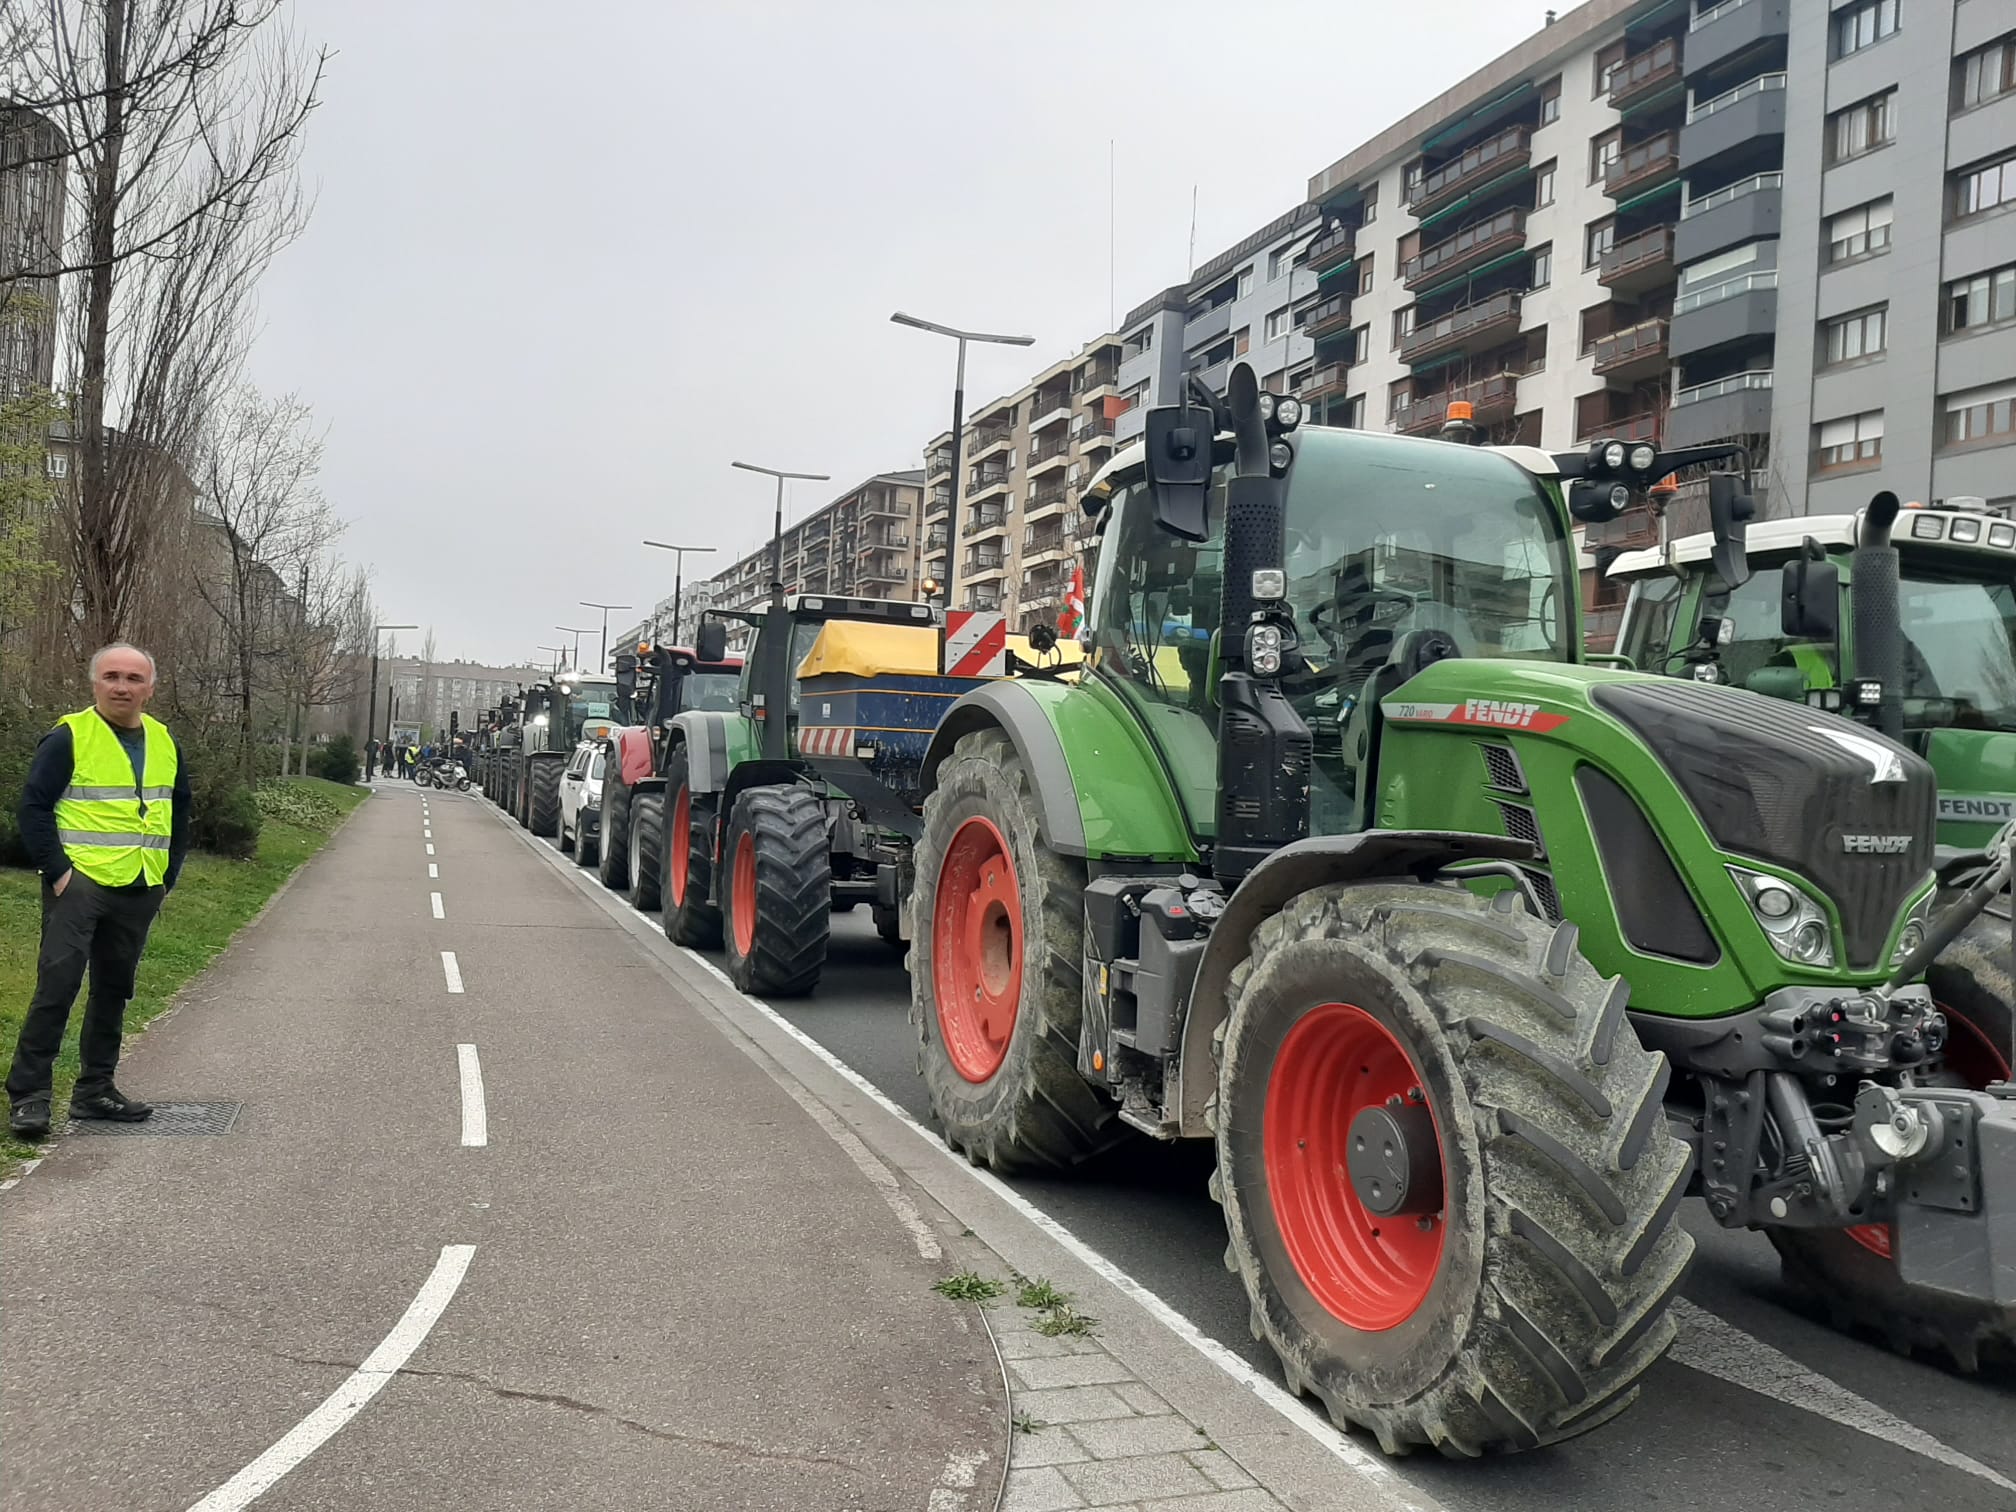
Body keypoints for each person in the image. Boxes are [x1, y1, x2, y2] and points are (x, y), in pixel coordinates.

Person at [7, 643, 188, 1137]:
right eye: (112, 676)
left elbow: (180, 810)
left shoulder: (164, 740)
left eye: (133, 678)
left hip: (139, 886)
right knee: (56, 988)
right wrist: (59, 871)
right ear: (94, 684)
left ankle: (95, 1091)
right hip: (80, 885)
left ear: (150, 688)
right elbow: (34, 808)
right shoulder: (69, 737)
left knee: (114, 990)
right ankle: (29, 1097)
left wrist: (167, 875)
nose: (122, 686)